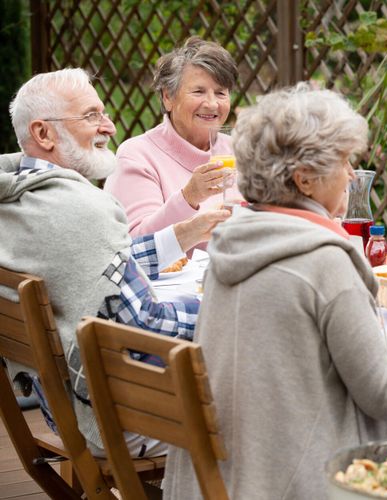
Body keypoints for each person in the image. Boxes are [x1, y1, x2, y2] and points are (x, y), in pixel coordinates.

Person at [162, 83, 387, 498]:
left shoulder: (232, 244)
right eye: (343, 161)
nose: (351, 174)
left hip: (229, 481)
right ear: (305, 180)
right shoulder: (325, 261)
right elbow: (385, 397)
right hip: (314, 482)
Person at [0, 68, 229, 456]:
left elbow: (100, 265)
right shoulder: (82, 207)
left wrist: (184, 234)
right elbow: (148, 321)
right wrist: (230, 305)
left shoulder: (22, 196)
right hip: (114, 419)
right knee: (278, 398)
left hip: (61, 405)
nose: (108, 125)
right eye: (91, 115)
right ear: (43, 134)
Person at [104, 37, 238, 242]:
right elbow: (135, 242)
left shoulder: (238, 150)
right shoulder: (137, 155)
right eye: (198, 91)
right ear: (168, 97)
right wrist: (189, 197)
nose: (212, 104)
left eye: (220, 93)